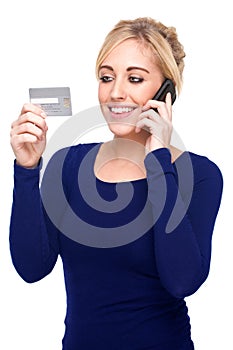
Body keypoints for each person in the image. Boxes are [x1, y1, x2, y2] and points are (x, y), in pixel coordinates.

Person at [9, 17, 223, 350]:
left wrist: (159, 164)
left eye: (135, 79)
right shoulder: (67, 165)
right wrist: (26, 169)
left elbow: (182, 281)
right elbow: (31, 267)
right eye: (106, 77)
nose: (115, 92)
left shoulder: (200, 175)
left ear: (166, 93)